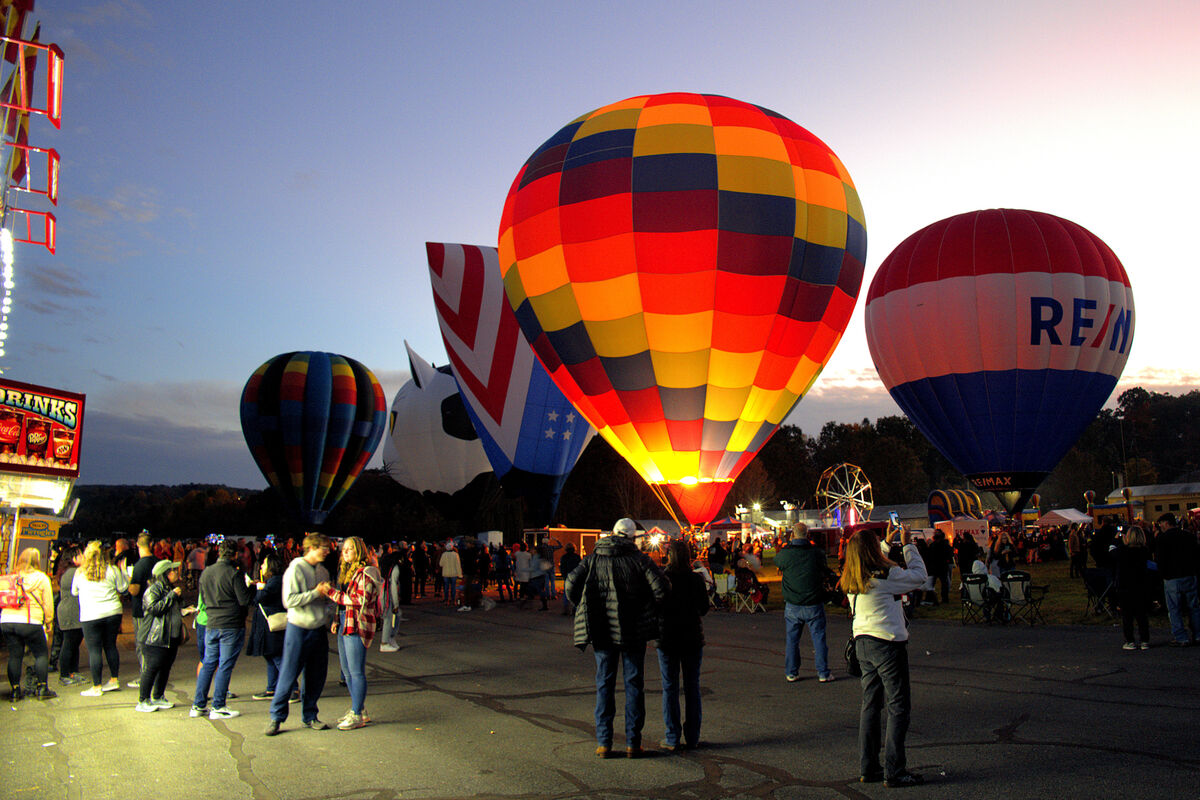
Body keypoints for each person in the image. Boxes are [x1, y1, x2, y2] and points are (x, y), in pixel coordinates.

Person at [565, 517, 667, 759]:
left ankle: (604, 742)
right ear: (633, 537)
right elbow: (662, 589)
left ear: (612, 533)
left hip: (602, 629)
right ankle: (633, 742)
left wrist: (584, 605)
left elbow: (570, 585)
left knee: (604, 684)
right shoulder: (640, 560)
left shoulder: (592, 559)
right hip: (634, 631)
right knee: (634, 685)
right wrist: (647, 608)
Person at [839, 527, 928, 788]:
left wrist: (887, 545)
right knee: (898, 707)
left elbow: (873, 565)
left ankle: (869, 767)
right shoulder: (888, 575)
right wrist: (909, 545)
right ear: (873, 550)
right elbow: (919, 576)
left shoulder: (853, 577)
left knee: (870, 705)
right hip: (888, 643)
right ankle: (895, 770)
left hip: (862, 643)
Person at [265, 532, 335, 736]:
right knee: (288, 673)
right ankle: (276, 717)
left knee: (316, 675)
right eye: (324, 547)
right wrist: (315, 593)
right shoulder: (295, 568)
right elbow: (289, 601)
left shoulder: (323, 571)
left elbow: (327, 599)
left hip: (317, 629)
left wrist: (329, 612)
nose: (327, 551)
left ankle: (310, 715)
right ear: (312, 547)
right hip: (298, 628)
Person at [192, 540, 253, 720]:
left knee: (208, 662)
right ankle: (218, 705)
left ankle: (198, 704)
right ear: (234, 554)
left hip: (211, 623)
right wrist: (251, 588)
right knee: (225, 664)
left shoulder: (206, 572)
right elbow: (244, 600)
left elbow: (202, 596)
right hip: (231, 624)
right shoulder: (235, 574)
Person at [656, 539, 708, 752]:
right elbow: (704, 608)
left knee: (670, 687)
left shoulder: (662, 578)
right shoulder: (696, 579)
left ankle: (672, 737)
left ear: (669, 556)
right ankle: (693, 736)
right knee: (692, 687)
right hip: (692, 638)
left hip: (667, 638)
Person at [326, 536, 382, 730]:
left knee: (356, 670)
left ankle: (357, 713)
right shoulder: (347, 572)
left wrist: (331, 593)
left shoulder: (368, 572)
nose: (345, 552)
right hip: (344, 620)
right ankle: (359, 708)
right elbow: (344, 600)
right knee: (347, 671)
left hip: (357, 623)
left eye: (350, 549)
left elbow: (358, 599)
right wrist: (336, 618)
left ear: (359, 551)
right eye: (344, 549)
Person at [775, 524, 836, 682]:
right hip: (814, 602)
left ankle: (792, 672)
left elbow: (778, 562)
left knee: (792, 640)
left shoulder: (786, 554)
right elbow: (824, 568)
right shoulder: (816, 553)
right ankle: (823, 672)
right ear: (808, 535)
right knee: (819, 638)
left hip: (793, 603)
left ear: (793, 535)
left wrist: (788, 544)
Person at [73, 540, 129, 696]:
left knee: (94, 650)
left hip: (91, 614)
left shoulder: (80, 573)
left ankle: (96, 686)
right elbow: (123, 589)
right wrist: (123, 572)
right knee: (110, 645)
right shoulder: (112, 570)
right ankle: (113, 679)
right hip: (112, 612)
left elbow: (74, 592)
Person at [2, 547, 56, 700]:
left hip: (7, 620)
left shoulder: (11, 577)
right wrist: (49, 621)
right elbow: (48, 603)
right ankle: (42, 688)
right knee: (40, 654)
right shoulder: (41, 578)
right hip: (29, 620)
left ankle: (15, 691)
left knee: (14, 656)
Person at [135, 560, 186, 712]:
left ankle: (158, 696)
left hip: (170, 636)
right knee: (151, 668)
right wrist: (172, 596)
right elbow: (154, 609)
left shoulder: (169, 588)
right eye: (173, 571)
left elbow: (173, 609)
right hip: (155, 637)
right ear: (165, 574)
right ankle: (143, 700)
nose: (176, 573)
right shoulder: (154, 589)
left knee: (165, 668)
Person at [1153, 513, 1200, 646]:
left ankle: (1181, 637)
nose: (1160, 526)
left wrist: (1162, 574)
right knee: (1194, 607)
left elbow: (1160, 559)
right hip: (1189, 574)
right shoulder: (1188, 536)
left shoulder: (1162, 539)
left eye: (1161, 523)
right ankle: (1197, 634)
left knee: (1174, 609)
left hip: (1172, 578)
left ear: (1166, 523)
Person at [246, 552, 287, 700]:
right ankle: (272, 687)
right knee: (270, 655)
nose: (262, 566)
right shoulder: (274, 581)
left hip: (272, 626)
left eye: (264, 563)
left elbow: (259, 599)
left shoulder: (275, 582)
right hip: (267, 624)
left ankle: (291, 688)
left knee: (276, 656)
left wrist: (259, 589)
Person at [126, 532, 157, 689]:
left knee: (142, 643)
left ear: (137, 545)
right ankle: (154, 672)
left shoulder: (139, 565)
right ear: (151, 544)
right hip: (156, 608)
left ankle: (145, 675)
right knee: (153, 642)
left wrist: (128, 583)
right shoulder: (158, 562)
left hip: (141, 610)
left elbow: (135, 590)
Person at [1113, 526, 1152, 650]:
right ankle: (1144, 640)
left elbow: (1111, 553)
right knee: (1142, 615)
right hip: (1142, 585)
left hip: (1126, 586)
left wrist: (1117, 540)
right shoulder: (1144, 551)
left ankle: (1130, 640)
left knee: (1127, 616)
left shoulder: (1122, 551)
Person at [55, 545, 85, 686]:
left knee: (73, 643)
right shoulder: (74, 572)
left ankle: (73, 672)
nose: (83, 557)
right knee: (69, 643)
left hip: (71, 611)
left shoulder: (67, 571)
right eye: (80, 555)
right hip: (71, 612)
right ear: (73, 558)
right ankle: (65, 674)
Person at [559, 543, 581, 615]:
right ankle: (575, 609)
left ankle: (566, 609)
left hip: (567, 577)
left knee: (566, 593)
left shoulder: (564, 557)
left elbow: (562, 567)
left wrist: (563, 575)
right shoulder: (577, 557)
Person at [439, 542, 463, 608]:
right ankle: (453, 600)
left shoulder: (444, 554)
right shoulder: (456, 555)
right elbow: (458, 565)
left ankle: (446, 600)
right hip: (454, 573)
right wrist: (460, 574)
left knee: (446, 587)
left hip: (446, 573)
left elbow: (440, 564)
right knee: (453, 587)